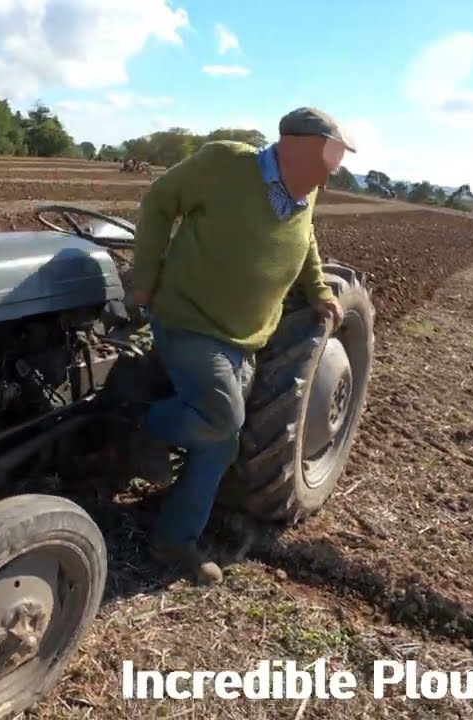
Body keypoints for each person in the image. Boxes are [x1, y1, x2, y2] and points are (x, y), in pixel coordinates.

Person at [125, 107, 355, 585]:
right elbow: (161, 198)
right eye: (331, 154)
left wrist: (317, 289)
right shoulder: (226, 165)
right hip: (189, 320)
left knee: (222, 444)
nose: (334, 168)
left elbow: (305, 240)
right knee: (223, 421)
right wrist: (143, 279)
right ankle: (132, 422)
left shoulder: (304, 194)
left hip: (245, 339)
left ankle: (174, 538)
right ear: (295, 144)